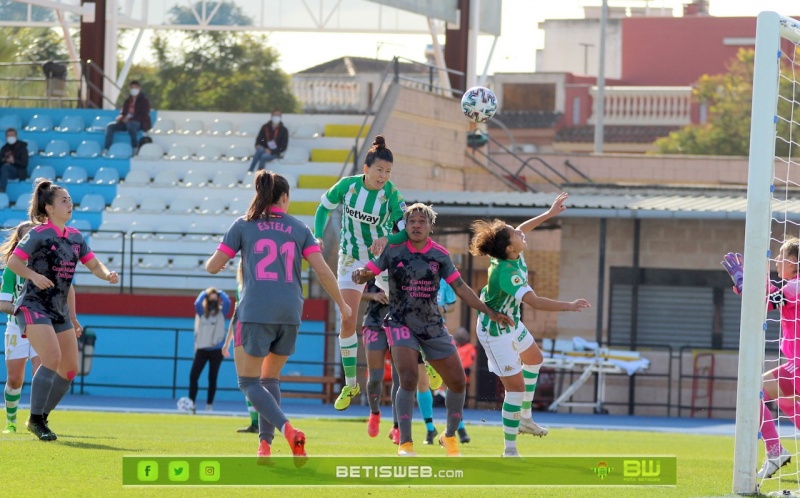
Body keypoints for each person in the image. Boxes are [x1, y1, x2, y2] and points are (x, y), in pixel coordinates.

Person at [205, 170, 351, 461]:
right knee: (270, 378)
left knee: (248, 382)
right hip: (290, 312)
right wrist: (343, 306)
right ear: (284, 198)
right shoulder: (299, 228)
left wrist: (219, 263)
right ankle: (264, 446)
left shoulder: (243, 225)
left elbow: (212, 267)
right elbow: (323, 271)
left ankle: (287, 430)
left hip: (256, 310)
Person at [353, 203, 514, 456]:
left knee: (458, 382)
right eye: (412, 221)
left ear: (430, 226)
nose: (416, 225)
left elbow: (461, 288)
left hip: (432, 326)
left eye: (421, 221)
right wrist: (360, 275)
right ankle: (405, 443)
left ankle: (448, 436)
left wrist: (489, 311)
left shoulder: (440, 255)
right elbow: (368, 272)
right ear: (406, 226)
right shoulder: (393, 251)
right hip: (399, 323)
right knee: (408, 378)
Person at [469, 192, 591, 457]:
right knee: (515, 389)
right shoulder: (507, 272)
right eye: (515, 234)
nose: (521, 232)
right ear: (509, 247)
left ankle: (524, 416)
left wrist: (549, 213)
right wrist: (568, 305)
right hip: (495, 331)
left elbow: (524, 228)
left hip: (511, 322)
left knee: (535, 358)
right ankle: (509, 450)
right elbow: (534, 302)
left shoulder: (512, 254)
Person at [7, 179, 118, 440]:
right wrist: (34, 276)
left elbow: (93, 265)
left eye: (70, 199)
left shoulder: (76, 237)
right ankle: (35, 420)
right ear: (49, 208)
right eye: (64, 200)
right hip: (34, 305)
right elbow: (13, 262)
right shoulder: (37, 234)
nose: (70, 204)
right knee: (52, 359)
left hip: (59, 310)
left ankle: (41, 417)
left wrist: (107, 275)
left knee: (69, 370)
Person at [314, 135, 408, 412]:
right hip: (351, 257)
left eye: (388, 171)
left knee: (409, 306)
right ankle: (351, 383)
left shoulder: (391, 194)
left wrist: (387, 240)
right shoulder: (348, 186)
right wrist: (318, 236)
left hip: (381, 257)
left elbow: (405, 229)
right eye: (379, 170)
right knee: (347, 317)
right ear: (367, 169)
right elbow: (323, 208)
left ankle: (427, 359)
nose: (384, 176)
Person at [722, 241, 800, 479]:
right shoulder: (793, 287)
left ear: (793, 261)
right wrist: (756, 280)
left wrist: (744, 283)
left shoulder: (795, 288)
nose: (777, 259)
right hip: (793, 365)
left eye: (780, 254)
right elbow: (771, 296)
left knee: (751, 393)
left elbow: (763, 304)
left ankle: (775, 450)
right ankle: (774, 450)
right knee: (786, 402)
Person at [1, 222, 39, 433]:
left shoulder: (49, 267)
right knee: (15, 379)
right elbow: (2, 303)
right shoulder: (11, 271)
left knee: (41, 375)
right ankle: (11, 422)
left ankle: (38, 421)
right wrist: (20, 309)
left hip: (42, 328)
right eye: (26, 238)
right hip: (17, 328)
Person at [186, 287, 231, 413]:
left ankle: (209, 405)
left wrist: (219, 292)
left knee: (212, 377)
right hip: (202, 349)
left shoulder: (222, 312)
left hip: (216, 350)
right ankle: (192, 403)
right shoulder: (202, 312)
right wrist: (205, 293)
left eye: (215, 297)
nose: (212, 300)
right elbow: (197, 303)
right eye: (210, 297)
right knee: (193, 376)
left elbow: (228, 302)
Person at [104, 81, 152, 151]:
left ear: (139, 88)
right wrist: (121, 118)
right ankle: (107, 149)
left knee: (131, 125)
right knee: (110, 127)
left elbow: (144, 115)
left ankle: (134, 147)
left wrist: (130, 119)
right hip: (125, 123)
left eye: (135, 87)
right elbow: (124, 113)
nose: (134, 89)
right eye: (132, 87)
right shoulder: (127, 101)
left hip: (138, 123)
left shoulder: (144, 101)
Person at [0, 128, 28, 194]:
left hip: (18, 171)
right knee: (5, 166)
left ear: (16, 136)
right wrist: (5, 160)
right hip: (5, 171)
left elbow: (24, 163)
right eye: (9, 135)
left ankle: (1, 189)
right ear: (6, 137)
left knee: (5, 167)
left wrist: (13, 161)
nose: (10, 137)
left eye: (12, 135)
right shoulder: (4, 148)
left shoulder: (22, 148)